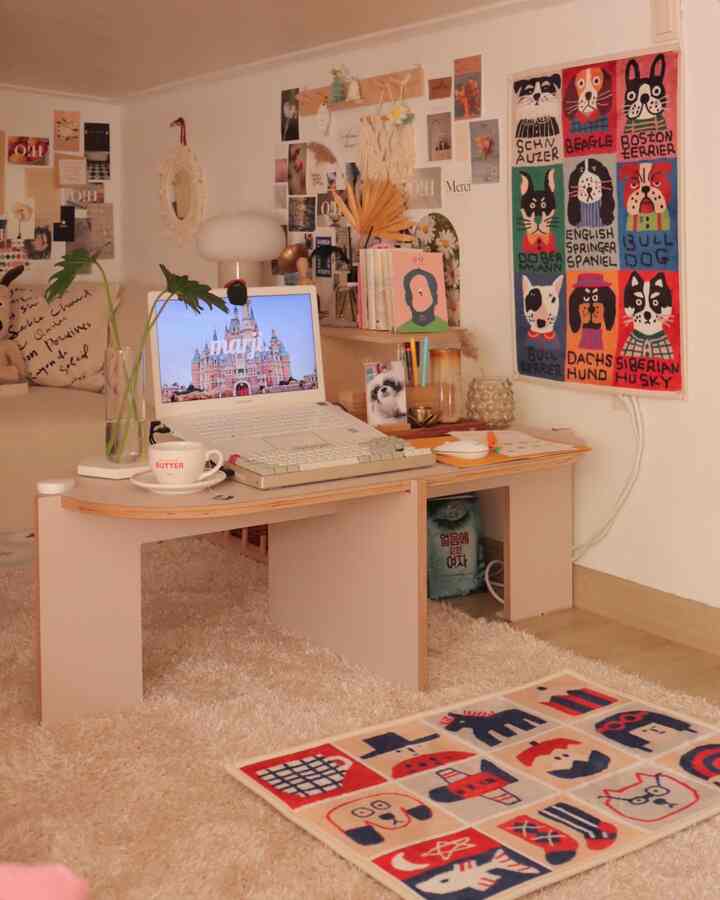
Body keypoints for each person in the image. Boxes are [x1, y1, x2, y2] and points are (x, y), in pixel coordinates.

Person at [396, 267, 448, 332]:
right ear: (407, 298)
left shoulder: (442, 326)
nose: (420, 295)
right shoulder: (402, 329)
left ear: (434, 296)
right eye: (414, 290)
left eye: (423, 291)